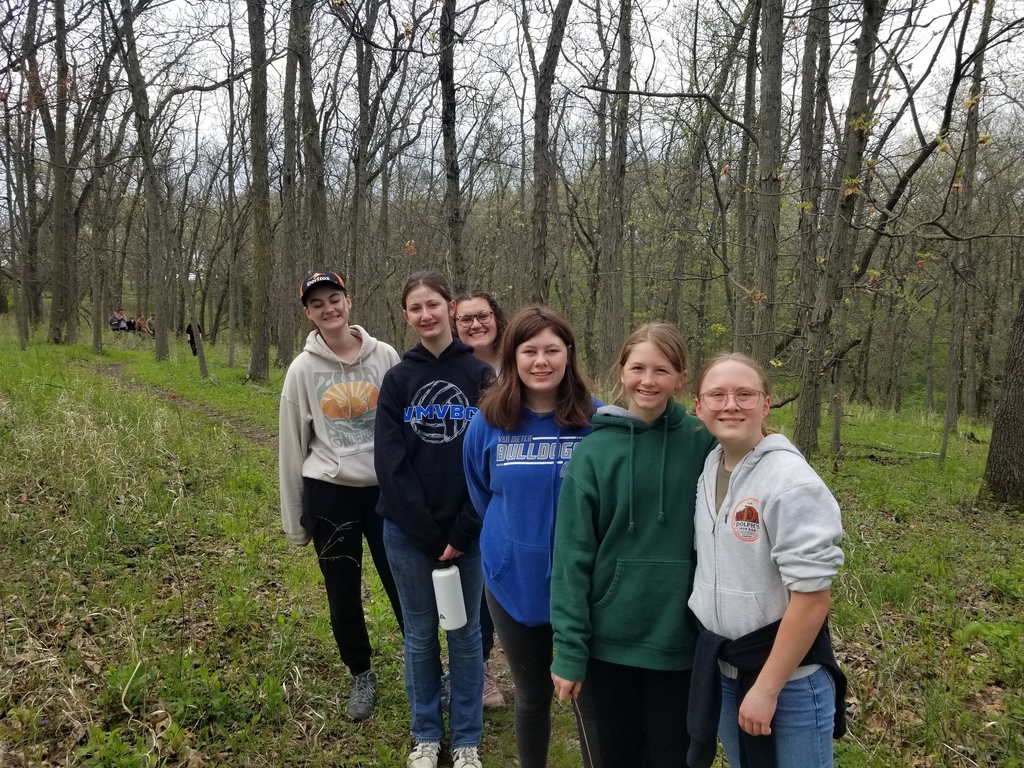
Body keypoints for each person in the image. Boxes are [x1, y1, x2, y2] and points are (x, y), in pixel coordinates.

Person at [550, 322, 716, 768]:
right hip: (609, 645)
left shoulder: (705, 445)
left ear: (681, 378)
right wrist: (569, 650)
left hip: (680, 643)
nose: (648, 380)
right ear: (620, 371)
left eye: (661, 370)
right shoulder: (592, 453)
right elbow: (571, 556)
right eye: (637, 367)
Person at [687, 353, 846, 768]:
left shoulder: (791, 483)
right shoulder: (710, 467)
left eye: (744, 394)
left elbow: (812, 600)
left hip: (786, 683)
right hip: (726, 670)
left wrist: (768, 689)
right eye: (717, 395)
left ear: (765, 404)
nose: (731, 404)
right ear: (699, 407)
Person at [464, 306, 605, 768]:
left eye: (551, 349)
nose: (540, 361)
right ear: (513, 357)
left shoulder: (598, 423)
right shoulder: (488, 423)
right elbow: (483, 494)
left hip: (587, 588)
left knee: (589, 699)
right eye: (529, 351)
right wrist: (512, 547)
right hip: (512, 584)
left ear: (569, 355)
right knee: (531, 698)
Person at [374, 271, 492, 768]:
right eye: (415, 308)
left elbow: (492, 457)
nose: (426, 315)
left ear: (450, 307)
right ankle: (426, 735)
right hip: (408, 534)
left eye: (433, 305)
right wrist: (426, 532)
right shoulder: (399, 379)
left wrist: (463, 529)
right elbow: (390, 463)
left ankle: (466, 740)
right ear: (406, 316)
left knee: (466, 636)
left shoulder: (483, 377)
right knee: (420, 635)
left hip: (469, 531)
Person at [278, 270, 405, 722]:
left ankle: (423, 666)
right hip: (330, 493)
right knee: (342, 592)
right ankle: (361, 674)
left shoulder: (385, 355)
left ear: (348, 302)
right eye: (318, 304)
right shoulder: (302, 369)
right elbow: (293, 444)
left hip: (386, 493)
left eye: (335, 299)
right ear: (308, 314)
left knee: (404, 583)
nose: (328, 308)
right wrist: (296, 522)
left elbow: (405, 427)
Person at [455, 289, 508, 709]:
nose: (475, 324)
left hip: (506, 486)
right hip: (457, 489)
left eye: (483, 316)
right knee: (468, 586)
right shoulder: (450, 366)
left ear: (496, 318)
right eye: (466, 318)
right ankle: (480, 668)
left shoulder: (517, 361)